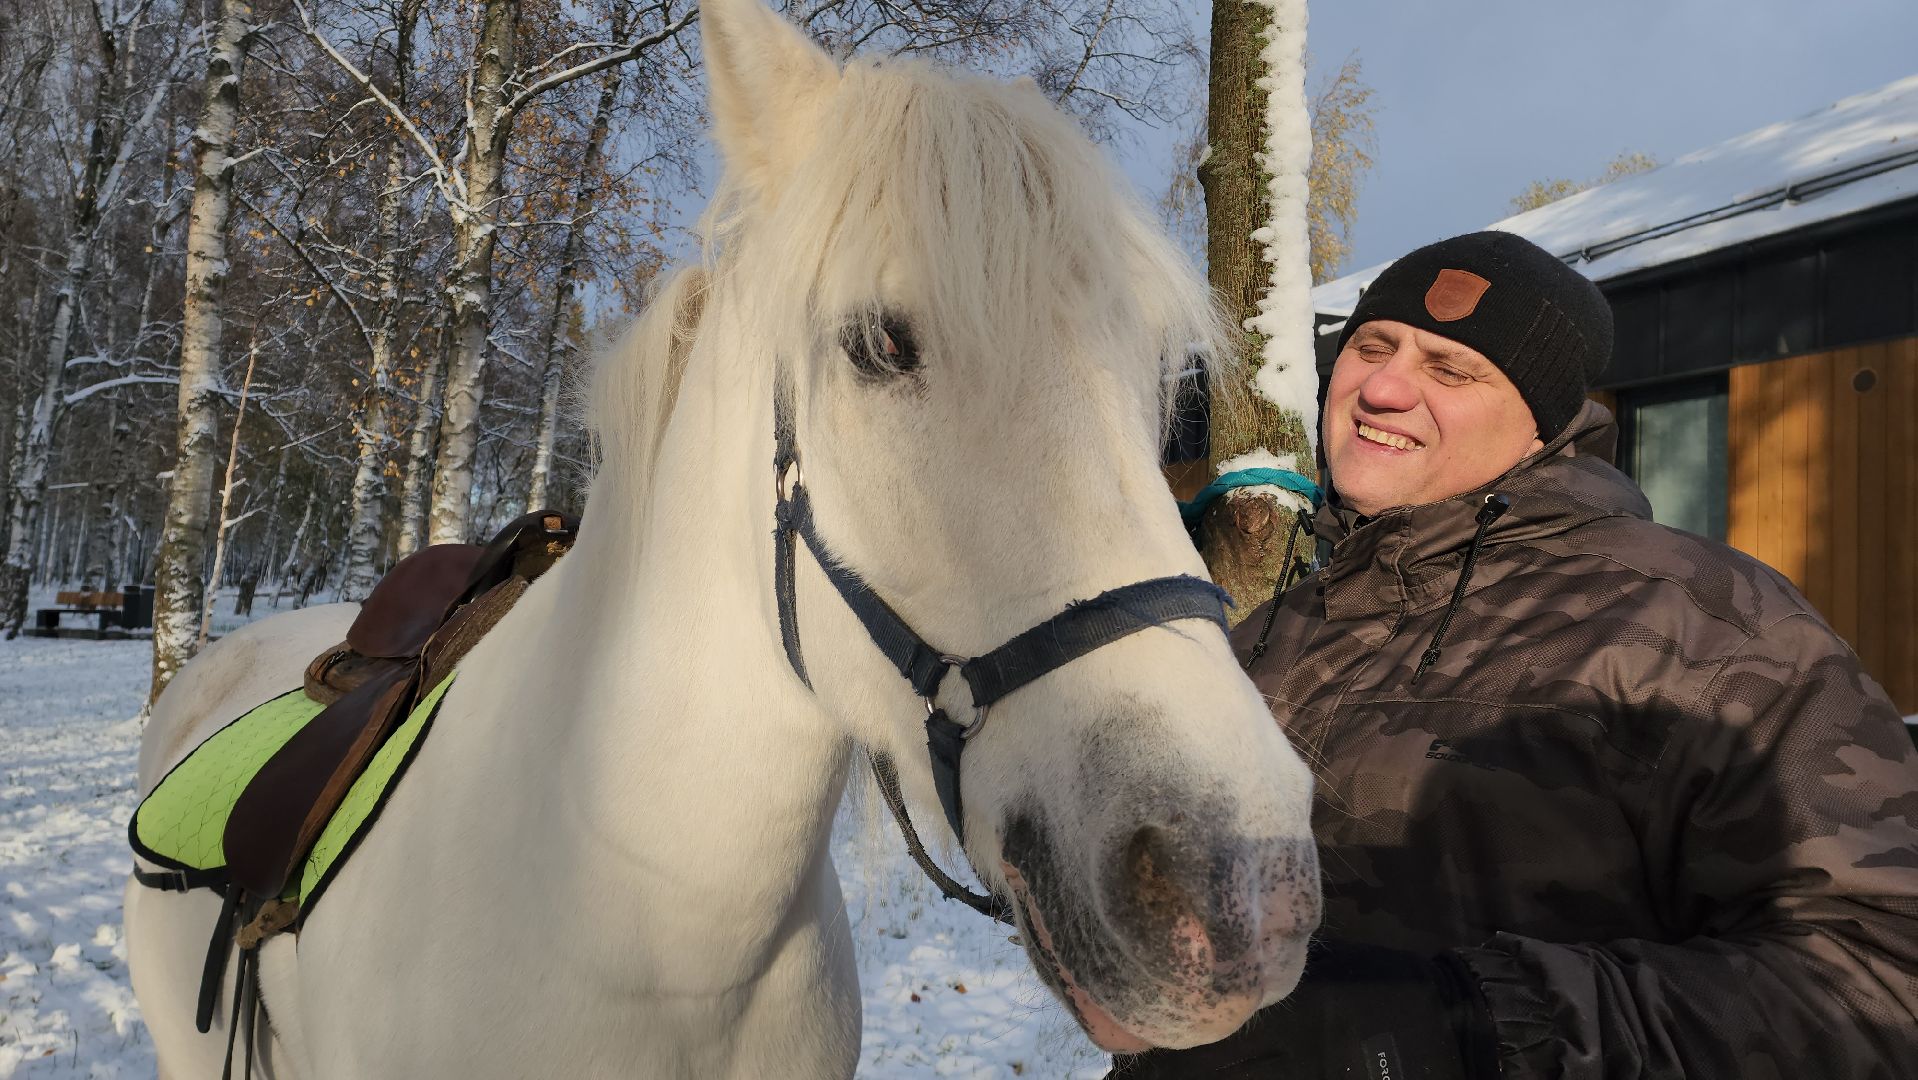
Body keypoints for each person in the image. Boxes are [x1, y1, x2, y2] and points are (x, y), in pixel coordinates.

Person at [1113, 231, 1918, 1079]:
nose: (1383, 388)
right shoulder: (1280, 629)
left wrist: (1476, 1027)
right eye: (1371, 347)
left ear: (1541, 423)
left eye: (1452, 370)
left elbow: (1881, 974)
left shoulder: (1708, 627)